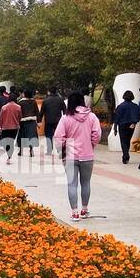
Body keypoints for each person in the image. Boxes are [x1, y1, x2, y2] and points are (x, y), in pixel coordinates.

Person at [53, 92, 102, 220]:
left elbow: (58, 137)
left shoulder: (65, 118)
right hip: (87, 155)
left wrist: (61, 150)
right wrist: (92, 144)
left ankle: (74, 212)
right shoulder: (92, 117)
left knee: (72, 184)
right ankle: (84, 210)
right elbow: (97, 134)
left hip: (70, 155)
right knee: (86, 183)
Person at [113, 90, 140, 164]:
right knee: (128, 140)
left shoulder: (120, 106)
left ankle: (125, 155)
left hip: (122, 125)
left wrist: (115, 128)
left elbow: (117, 117)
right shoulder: (135, 106)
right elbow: (138, 116)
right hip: (131, 124)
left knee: (123, 141)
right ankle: (126, 156)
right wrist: (134, 122)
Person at [0, 91, 22, 162]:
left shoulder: (4, 107)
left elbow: (0, 118)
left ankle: (8, 154)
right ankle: (9, 156)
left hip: (5, 127)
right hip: (15, 127)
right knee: (11, 141)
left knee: (6, 142)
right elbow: (20, 117)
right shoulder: (18, 107)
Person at [42, 87, 66, 156]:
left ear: (49, 92)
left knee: (48, 136)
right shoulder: (60, 100)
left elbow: (42, 112)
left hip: (48, 121)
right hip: (58, 121)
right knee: (59, 136)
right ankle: (60, 150)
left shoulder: (45, 101)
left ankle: (49, 150)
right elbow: (64, 110)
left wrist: (39, 120)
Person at [18, 90, 40, 159]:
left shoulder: (21, 102)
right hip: (32, 121)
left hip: (23, 121)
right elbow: (37, 112)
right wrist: (39, 121)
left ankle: (20, 151)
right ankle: (31, 150)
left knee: (22, 135)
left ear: (24, 94)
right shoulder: (34, 102)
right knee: (31, 136)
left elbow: (19, 112)